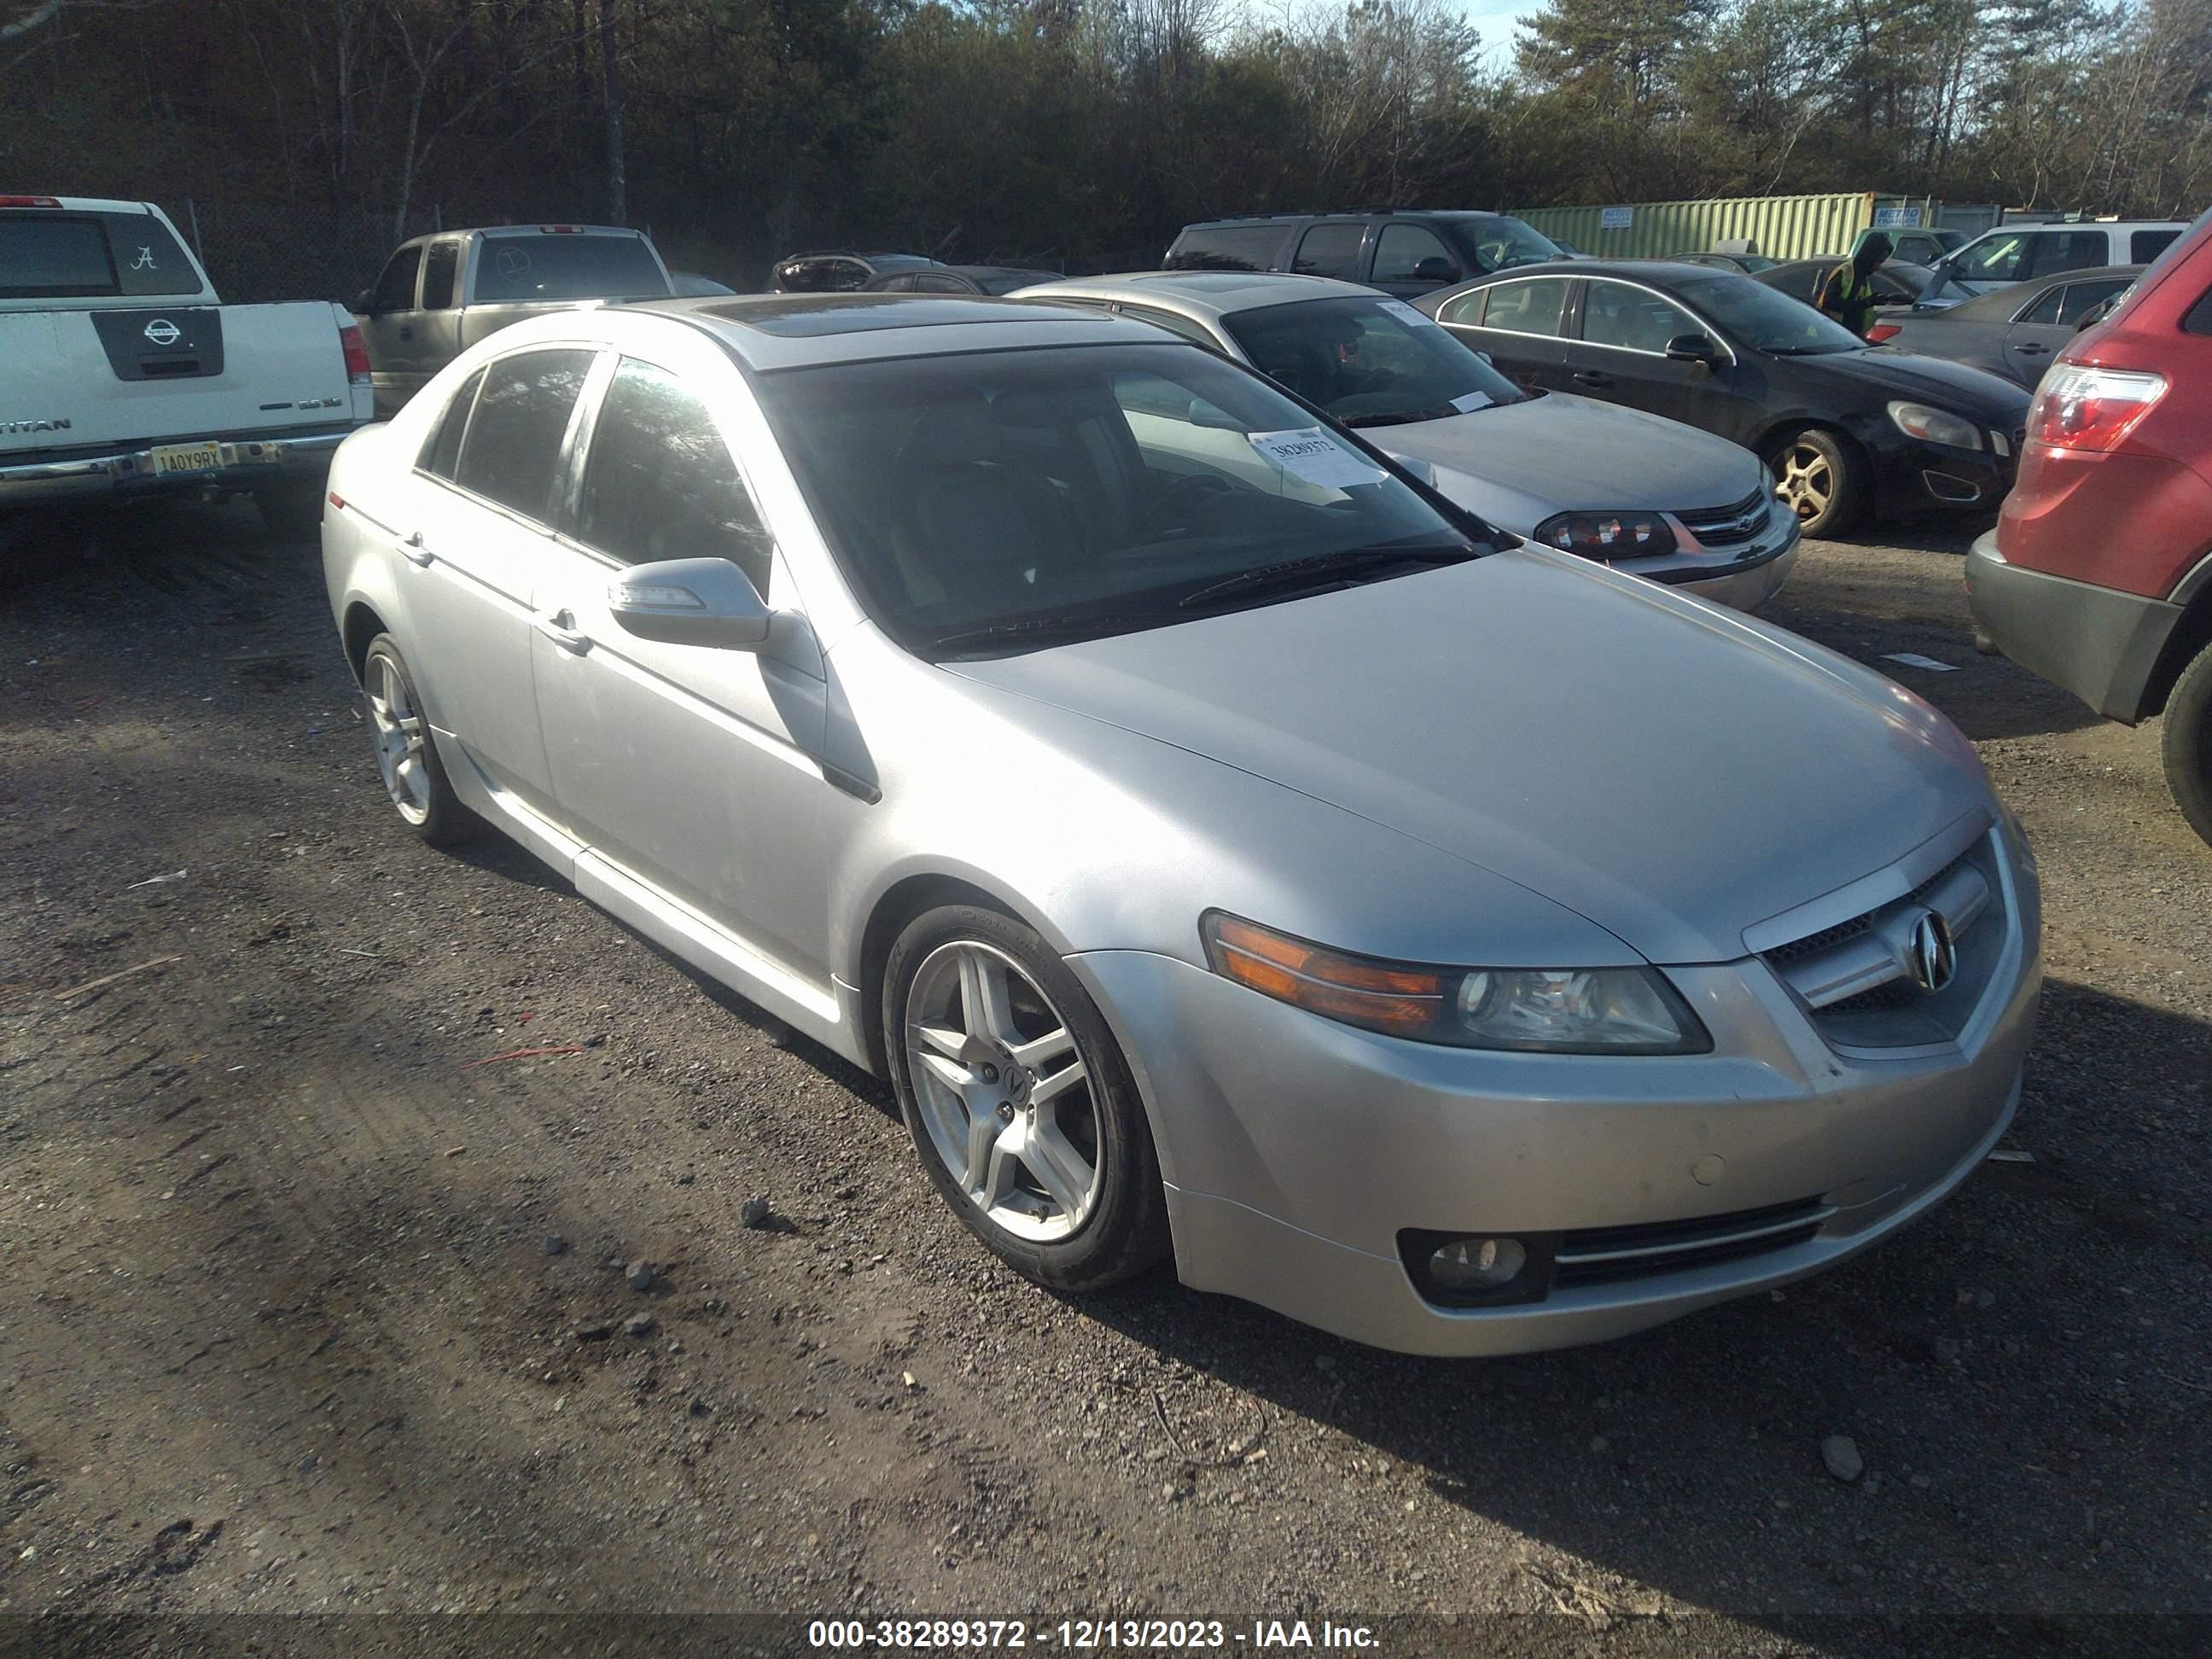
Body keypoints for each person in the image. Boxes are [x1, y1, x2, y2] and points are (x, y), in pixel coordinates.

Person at [1817, 230, 1895, 339]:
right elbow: (1830, 302)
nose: (1878, 267)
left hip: (1851, 338)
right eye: (1879, 261)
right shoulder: (1846, 271)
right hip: (1831, 336)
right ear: (1870, 256)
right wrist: (1866, 303)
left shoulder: (1863, 277)